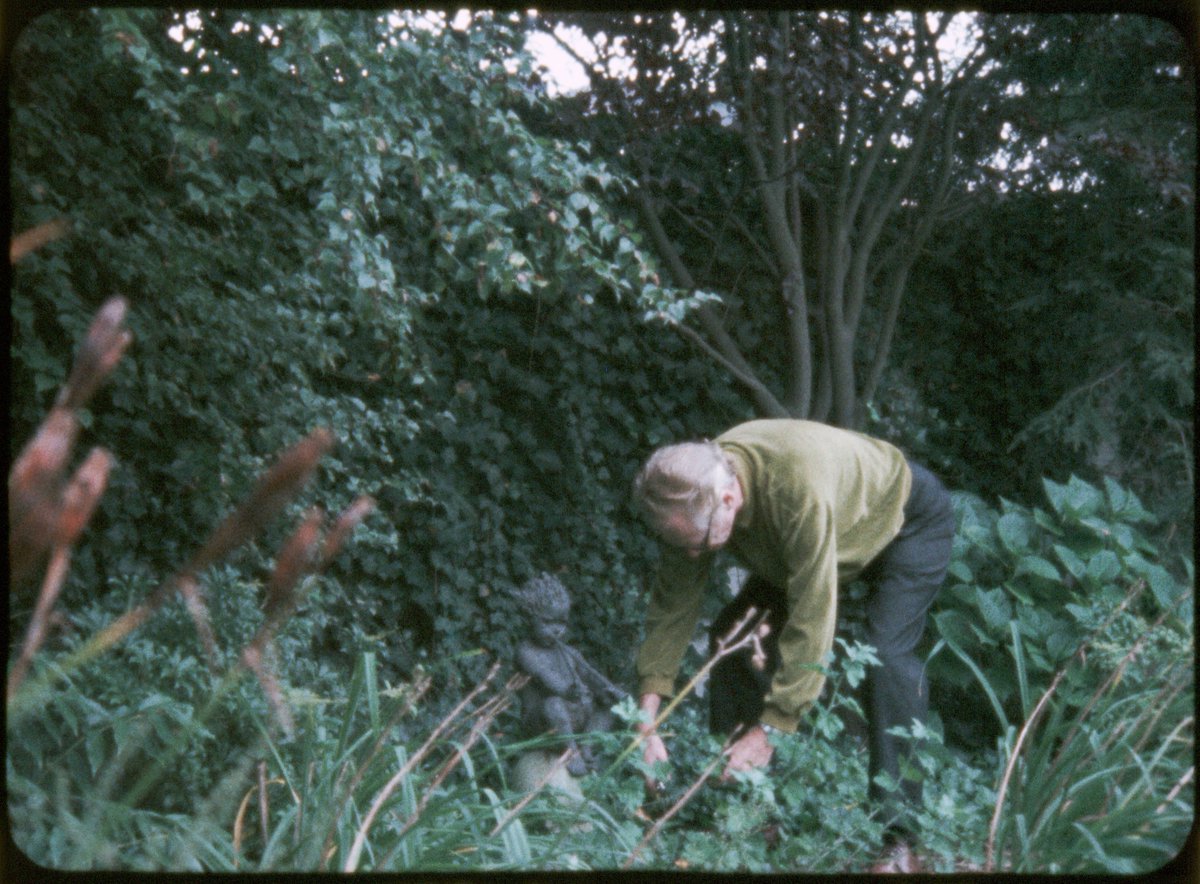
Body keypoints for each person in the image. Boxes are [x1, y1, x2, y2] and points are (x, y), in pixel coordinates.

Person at [630, 419, 954, 873]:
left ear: (729, 499)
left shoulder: (796, 490)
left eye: (698, 545)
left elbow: (812, 615)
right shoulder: (688, 492)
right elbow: (673, 605)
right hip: (816, 537)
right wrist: (647, 722)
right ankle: (751, 813)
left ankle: (901, 844)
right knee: (733, 636)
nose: (692, 556)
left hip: (906, 521)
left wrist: (771, 727)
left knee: (886, 655)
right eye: (681, 545)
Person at [514, 573, 627, 776]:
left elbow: (590, 676)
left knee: (611, 705)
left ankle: (586, 747)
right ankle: (571, 753)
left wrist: (609, 690)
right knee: (553, 704)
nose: (557, 630)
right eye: (548, 622)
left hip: (574, 713)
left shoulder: (569, 652)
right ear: (528, 618)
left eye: (562, 623)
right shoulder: (526, 651)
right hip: (543, 721)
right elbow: (544, 676)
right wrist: (567, 690)